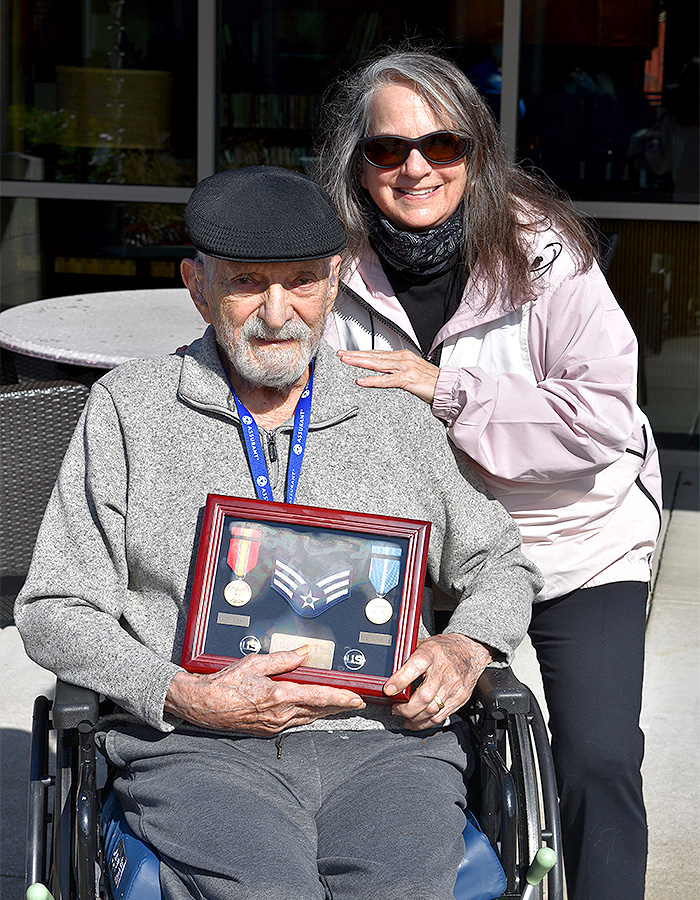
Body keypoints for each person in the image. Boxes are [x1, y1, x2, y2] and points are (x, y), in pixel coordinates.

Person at [15, 166, 541, 900]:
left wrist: (464, 646)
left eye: (300, 281)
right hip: (199, 750)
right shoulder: (130, 411)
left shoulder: (393, 415)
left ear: (334, 284)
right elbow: (54, 607)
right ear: (197, 286)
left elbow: (502, 564)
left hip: (388, 749)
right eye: (246, 281)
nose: (276, 310)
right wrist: (176, 693)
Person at [315, 48, 663, 900]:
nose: (417, 167)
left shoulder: (544, 254)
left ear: (477, 150)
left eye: (443, 144)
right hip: (424, 552)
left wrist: (447, 390)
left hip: (574, 541)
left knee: (600, 757)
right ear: (356, 162)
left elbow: (598, 420)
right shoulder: (326, 261)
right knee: (428, 751)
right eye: (389, 149)